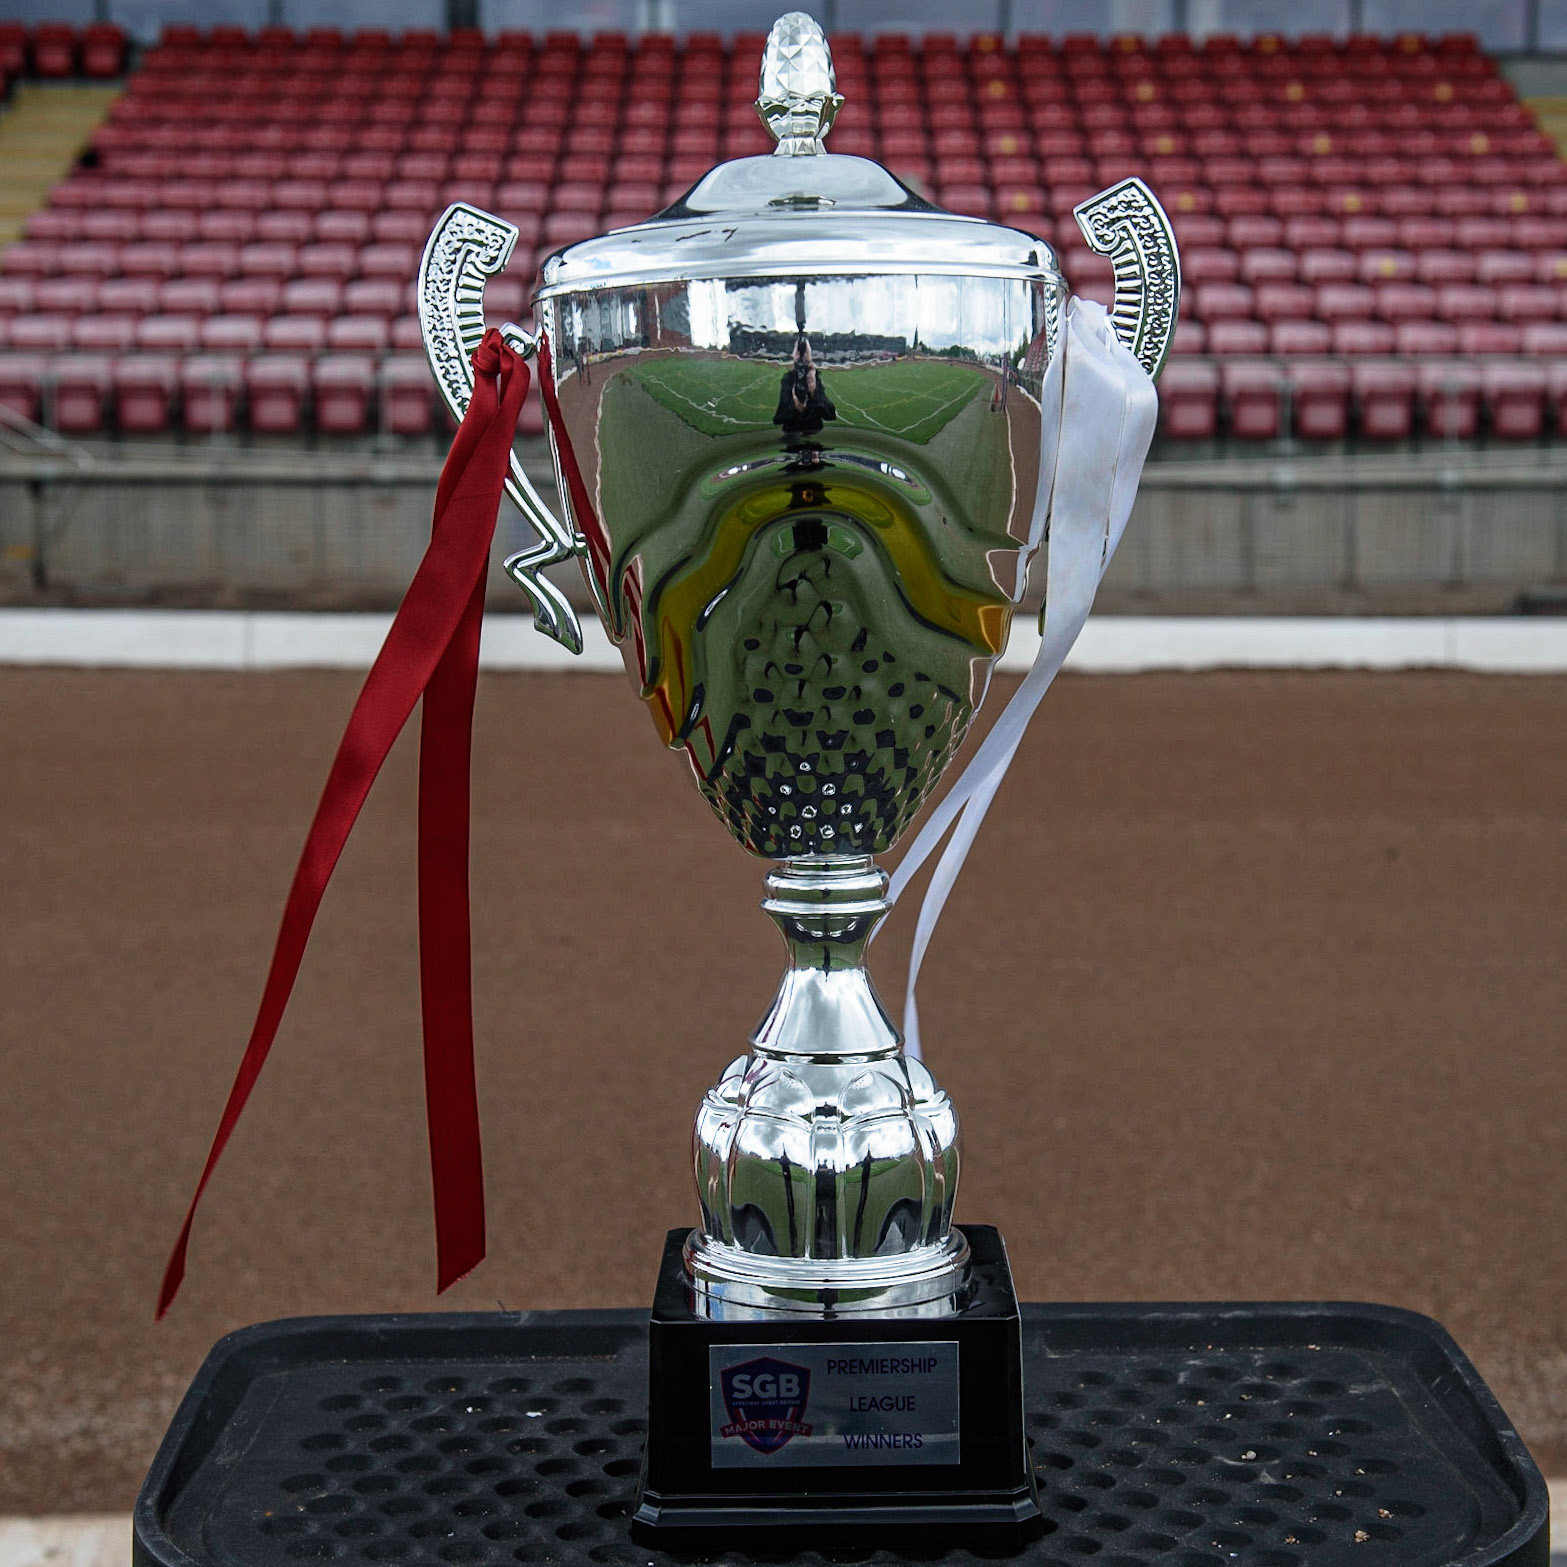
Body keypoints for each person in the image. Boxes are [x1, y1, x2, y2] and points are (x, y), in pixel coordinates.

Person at [773, 333, 836, 438]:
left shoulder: (815, 377)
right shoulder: (788, 380)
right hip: (792, 433)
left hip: (813, 432)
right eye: (798, 352)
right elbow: (778, 418)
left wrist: (814, 392)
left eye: (806, 352)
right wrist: (795, 407)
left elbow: (830, 414)